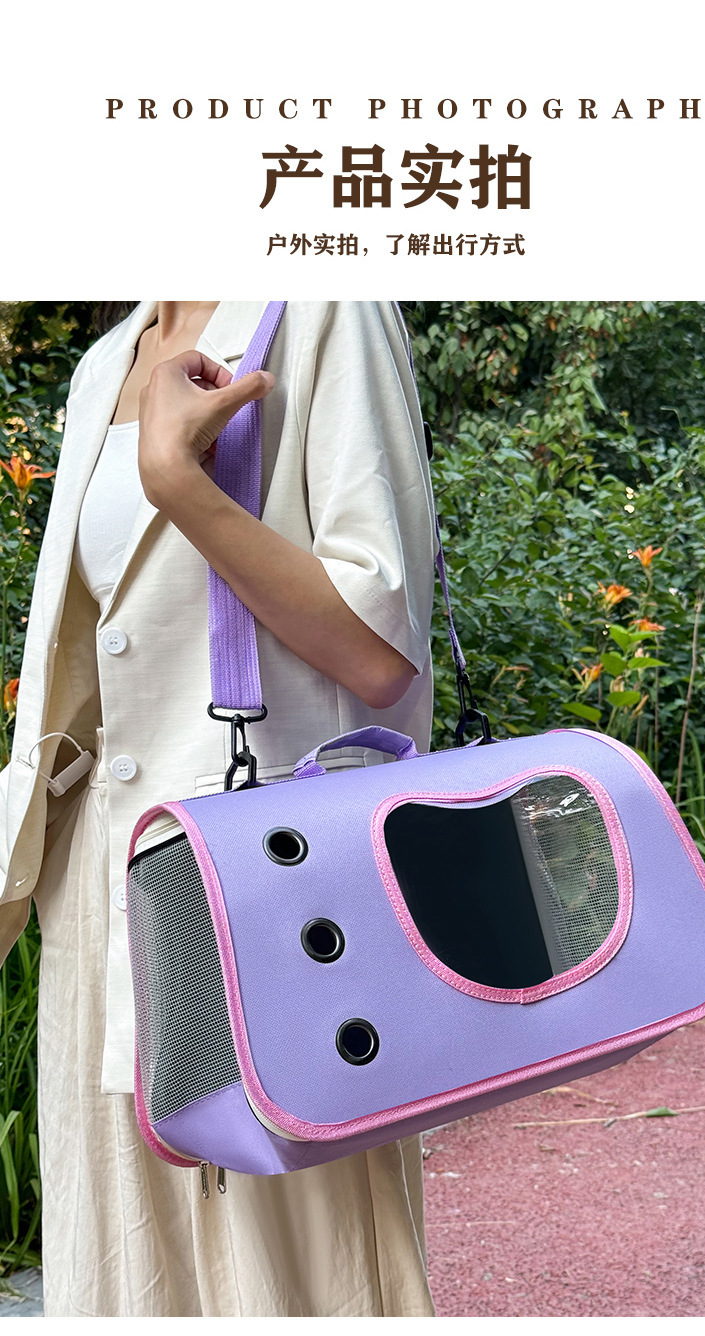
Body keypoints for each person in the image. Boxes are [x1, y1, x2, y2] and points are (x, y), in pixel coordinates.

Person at [0, 301, 438, 1317]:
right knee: (121, 1271)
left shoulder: (327, 306)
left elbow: (380, 649)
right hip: (102, 899)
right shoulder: (107, 361)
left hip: (260, 894)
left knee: (284, 1272)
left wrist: (177, 484)